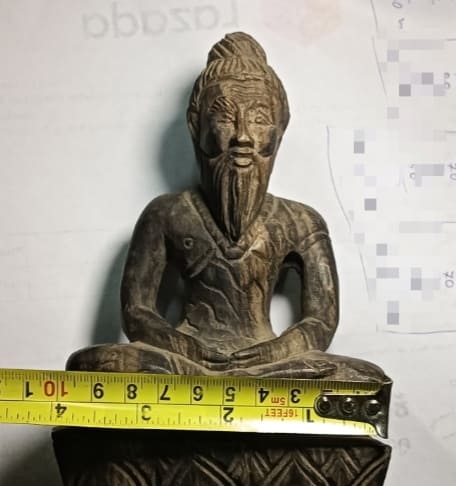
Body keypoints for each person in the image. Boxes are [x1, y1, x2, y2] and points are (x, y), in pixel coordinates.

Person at [67, 32, 385, 383]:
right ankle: (219, 382)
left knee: (360, 376)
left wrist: (272, 352)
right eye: (224, 118)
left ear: (279, 130)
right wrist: (187, 348)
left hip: (268, 364)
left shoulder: (301, 221)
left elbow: (321, 321)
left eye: (259, 119)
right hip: (185, 359)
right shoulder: (166, 213)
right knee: (95, 362)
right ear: (196, 125)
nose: (242, 136)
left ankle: (237, 382)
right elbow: (137, 312)